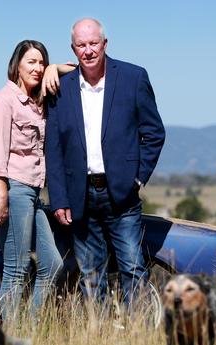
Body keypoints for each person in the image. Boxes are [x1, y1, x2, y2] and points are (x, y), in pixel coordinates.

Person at [45, 18, 165, 304]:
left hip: (122, 194)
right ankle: (97, 334)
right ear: (73, 49)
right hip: (80, 196)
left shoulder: (133, 77)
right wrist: (59, 198)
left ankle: (137, 336)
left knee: (133, 267)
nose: (88, 51)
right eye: (81, 45)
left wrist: (137, 178)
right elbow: (54, 149)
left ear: (105, 43)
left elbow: (154, 133)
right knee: (90, 273)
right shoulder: (61, 88)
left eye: (93, 43)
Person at [0, 40, 73, 321]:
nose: (37, 68)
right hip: (11, 188)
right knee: (17, 266)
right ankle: (12, 335)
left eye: (41, 62)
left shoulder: (37, 102)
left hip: (32, 192)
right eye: (31, 62)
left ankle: (31, 329)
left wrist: (55, 68)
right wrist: (2, 197)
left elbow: (80, 70)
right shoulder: (4, 101)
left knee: (52, 264)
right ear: (17, 66)